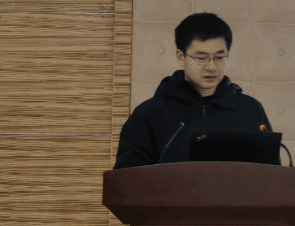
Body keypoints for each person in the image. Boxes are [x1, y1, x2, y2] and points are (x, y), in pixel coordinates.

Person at [113, 12, 273, 169]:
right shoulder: (148, 114)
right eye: (201, 58)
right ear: (181, 57)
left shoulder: (250, 109)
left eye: (219, 57)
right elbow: (127, 177)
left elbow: (271, 174)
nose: (212, 67)